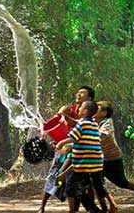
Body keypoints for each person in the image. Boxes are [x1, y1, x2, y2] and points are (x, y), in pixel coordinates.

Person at [38, 85, 96, 213]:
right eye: (78, 92)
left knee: (84, 182)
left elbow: (75, 123)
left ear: (89, 98)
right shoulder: (72, 109)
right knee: (54, 175)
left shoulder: (89, 112)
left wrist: (64, 116)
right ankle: (42, 206)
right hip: (64, 148)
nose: (78, 95)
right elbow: (57, 122)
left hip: (79, 150)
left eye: (82, 93)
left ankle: (89, 208)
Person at [57, 100, 108, 213]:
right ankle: (102, 209)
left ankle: (71, 211)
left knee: (70, 185)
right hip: (97, 163)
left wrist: (61, 143)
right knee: (98, 187)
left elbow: (74, 137)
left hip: (83, 163)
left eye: (80, 108)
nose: (78, 110)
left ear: (85, 111)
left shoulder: (82, 124)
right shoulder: (94, 124)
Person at [95, 100, 134, 208]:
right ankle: (104, 207)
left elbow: (103, 134)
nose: (94, 108)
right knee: (96, 182)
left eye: (97, 107)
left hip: (113, 158)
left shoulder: (107, 122)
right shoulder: (91, 121)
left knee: (121, 183)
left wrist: (89, 129)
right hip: (99, 158)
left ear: (104, 113)